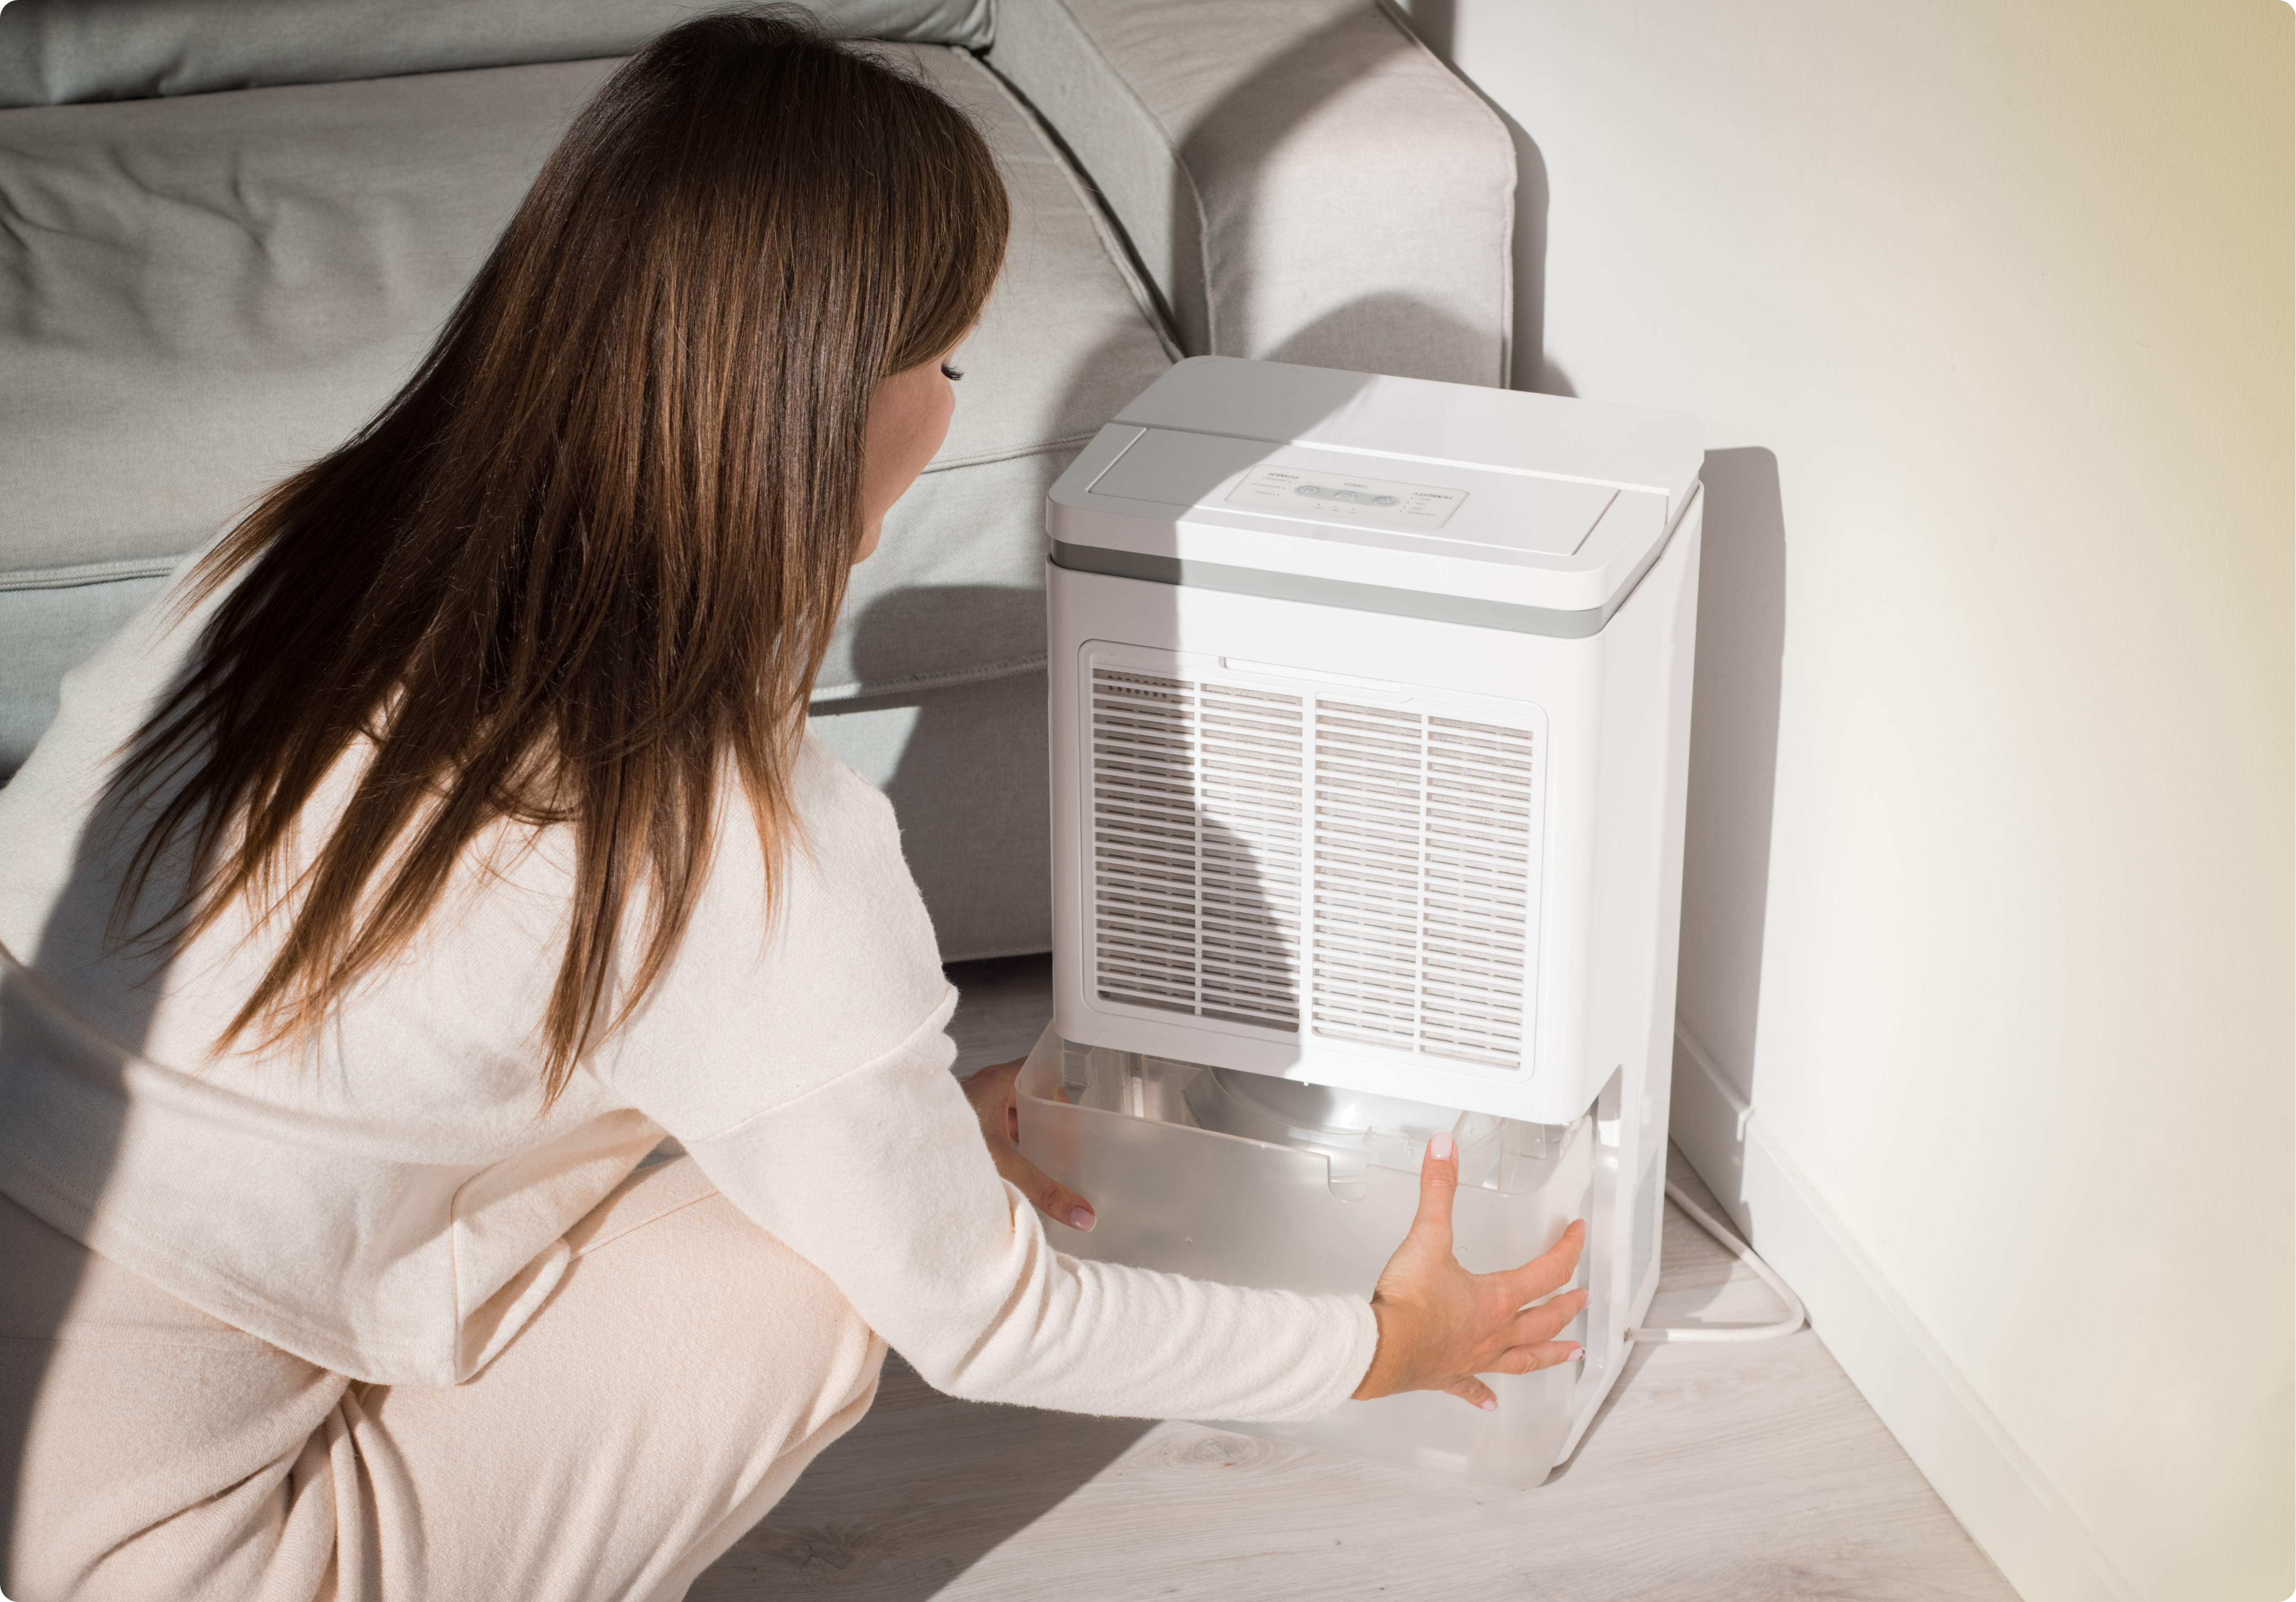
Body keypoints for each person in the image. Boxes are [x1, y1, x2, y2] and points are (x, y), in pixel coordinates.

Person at [0, 11, 1586, 1599]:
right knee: (816, 1279)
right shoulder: (719, 840)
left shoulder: (293, 550)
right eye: (948, 363)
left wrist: (884, 1129)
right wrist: (1378, 1343)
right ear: (826, 404)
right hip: (146, 1559)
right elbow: (989, 1316)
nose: (953, 410)